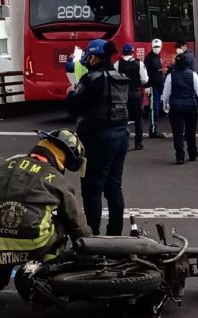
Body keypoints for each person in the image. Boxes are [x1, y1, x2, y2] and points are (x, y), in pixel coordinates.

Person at [0, 129, 92, 302]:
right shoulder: (57, 180)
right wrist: (90, 247)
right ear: (65, 157)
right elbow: (76, 224)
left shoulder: (0, 169)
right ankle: (43, 275)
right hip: (33, 244)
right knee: (61, 227)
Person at [67, 39, 131, 236]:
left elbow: (73, 108)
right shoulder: (120, 76)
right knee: (114, 187)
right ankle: (115, 233)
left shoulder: (91, 79)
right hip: (121, 137)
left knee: (92, 188)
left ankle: (93, 235)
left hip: (97, 139)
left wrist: (70, 94)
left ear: (94, 57)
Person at [162, 53, 198, 164]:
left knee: (177, 132)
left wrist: (165, 104)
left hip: (175, 106)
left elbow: (166, 93)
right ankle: (192, 153)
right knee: (190, 132)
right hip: (190, 106)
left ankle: (180, 156)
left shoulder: (170, 76)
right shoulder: (193, 75)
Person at [113, 43, 149, 150]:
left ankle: (123, 143)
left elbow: (114, 78)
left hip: (122, 94)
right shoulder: (139, 63)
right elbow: (145, 80)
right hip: (136, 93)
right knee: (138, 118)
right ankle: (138, 143)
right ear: (132, 52)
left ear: (122, 52)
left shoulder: (117, 63)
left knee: (123, 119)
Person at [143, 38, 166, 138]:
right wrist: (147, 86)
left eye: (158, 47)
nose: (157, 48)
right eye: (155, 47)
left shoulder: (157, 56)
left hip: (158, 86)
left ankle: (154, 128)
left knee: (157, 107)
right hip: (152, 86)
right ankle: (153, 130)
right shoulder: (149, 58)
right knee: (153, 108)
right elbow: (145, 72)